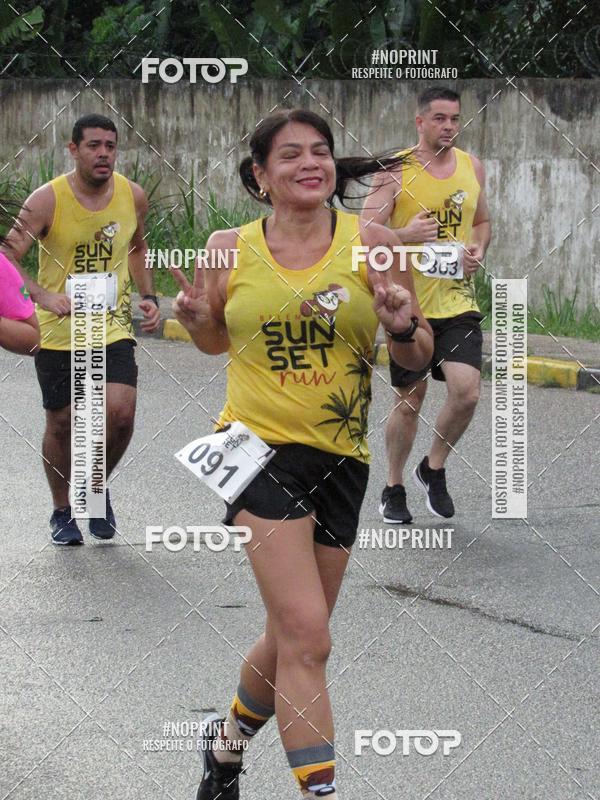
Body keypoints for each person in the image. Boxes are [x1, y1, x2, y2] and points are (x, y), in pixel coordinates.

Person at [171, 109, 433, 800]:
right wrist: (198, 323)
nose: (310, 163)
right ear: (261, 175)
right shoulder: (227, 246)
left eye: (320, 151)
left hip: (341, 457)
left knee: (291, 634)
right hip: (254, 451)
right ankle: (320, 793)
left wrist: (403, 325)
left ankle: (224, 749)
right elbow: (214, 342)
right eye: (290, 155)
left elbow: (416, 357)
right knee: (310, 639)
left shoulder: (375, 243)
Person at [1, 113, 160, 545]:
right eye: (94, 145)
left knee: (120, 414)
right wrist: (38, 295)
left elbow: (136, 247)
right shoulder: (46, 200)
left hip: (110, 327)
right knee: (63, 423)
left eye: (110, 145)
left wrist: (149, 297)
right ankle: (62, 510)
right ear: (73, 150)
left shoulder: (132, 195)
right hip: (57, 331)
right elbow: (6, 255)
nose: (103, 153)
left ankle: (93, 487)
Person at [360, 86, 492, 523]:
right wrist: (404, 237)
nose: (449, 126)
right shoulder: (396, 170)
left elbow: (482, 221)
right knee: (409, 401)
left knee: (467, 391)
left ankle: (432, 467)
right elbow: (364, 231)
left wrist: (478, 250)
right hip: (407, 304)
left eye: (455, 119)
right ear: (420, 122)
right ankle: (394, 485)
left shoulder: (473, 167)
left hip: (456, 300)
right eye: (439, 118)